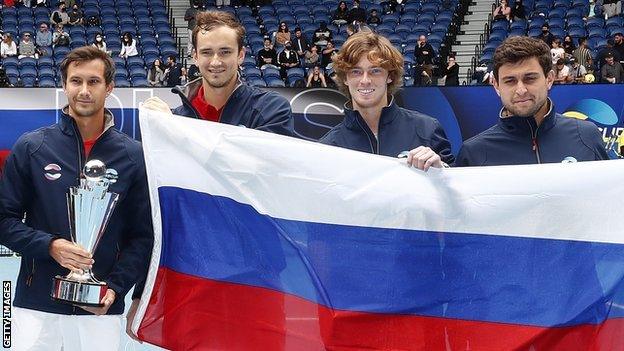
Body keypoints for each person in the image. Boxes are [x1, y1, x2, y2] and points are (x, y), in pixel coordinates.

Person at [0, 45, 153, 351]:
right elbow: (4, 220)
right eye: (76, 81)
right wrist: (49, 246)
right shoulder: (32, 148)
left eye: (94, 82)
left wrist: (115, 288)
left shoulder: (133, 156)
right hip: (36, 305)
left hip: (99, 307)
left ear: (109, 87)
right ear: (64, 85)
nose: (84, 91)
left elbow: (142, 237)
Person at [455, 36, 608, 167]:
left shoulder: (586, 136)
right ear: (496, 85)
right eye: (510, 81)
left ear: (549, 79)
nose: (521, 90)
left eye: (530, 78)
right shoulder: (473, 153)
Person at [141, 11, 293, 137]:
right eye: (206, 52)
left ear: (240, 55)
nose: (215, 62)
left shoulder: (271, 109)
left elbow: (261, 169)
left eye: (225, 52)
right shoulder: (177, 117)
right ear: (195, 57)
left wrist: (175, 129)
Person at [320, 31, 454, 170]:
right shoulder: (328, 147)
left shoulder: (427, 130)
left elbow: (459, 186)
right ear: (345, 78)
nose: (365, 80)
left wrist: (440, 171)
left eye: (375, 71)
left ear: (390, 76)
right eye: (356, 71)